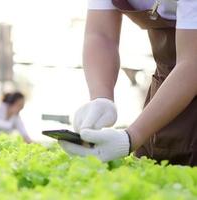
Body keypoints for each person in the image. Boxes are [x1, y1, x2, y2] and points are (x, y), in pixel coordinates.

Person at [59, 0, 197, 166]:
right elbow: (100, 35)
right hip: (168, 85)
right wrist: (101, 98)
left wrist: (132, 136)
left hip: (188, 72)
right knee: (155, 161)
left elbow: (191, 64)